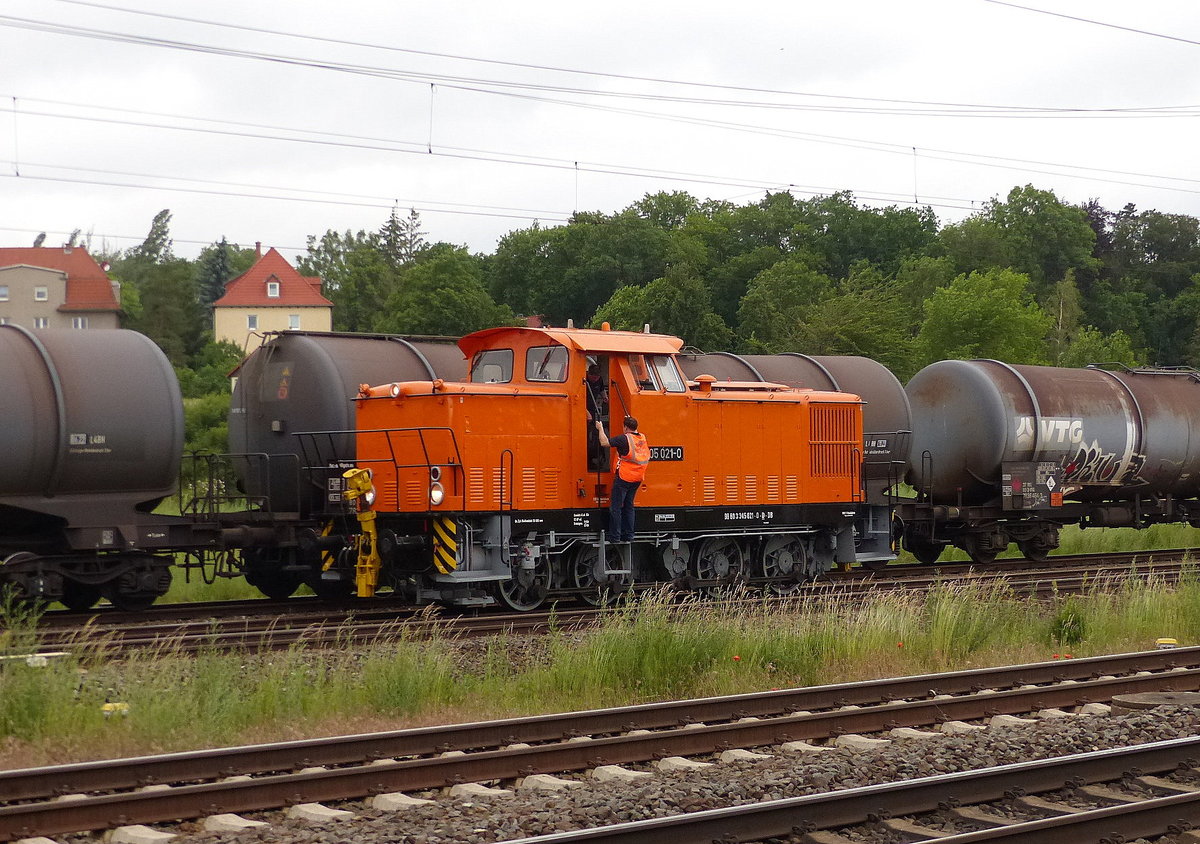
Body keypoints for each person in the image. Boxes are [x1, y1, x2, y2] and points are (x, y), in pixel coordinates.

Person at [595, 416, 649, 543]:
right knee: (629, 506)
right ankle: (629, 535)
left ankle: (615, 537)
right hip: (637, 478)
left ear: (625, 427)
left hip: (624, 478)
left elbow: (604, 442)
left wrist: (600, 428)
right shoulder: (642, 437)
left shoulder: (623, 438)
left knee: (616, 508)